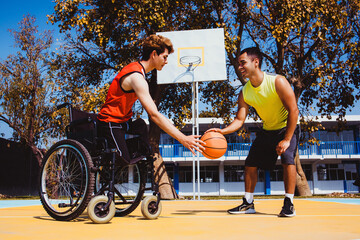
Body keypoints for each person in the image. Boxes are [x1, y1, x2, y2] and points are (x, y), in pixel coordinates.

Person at [206, 47, 300, 217]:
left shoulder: (277, 81)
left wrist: (286, 139)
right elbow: (239, 120)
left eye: (243, 63)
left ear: (256, 62)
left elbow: (293, 110)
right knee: (250, 163)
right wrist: (222, 131)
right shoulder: (245, 92)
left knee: (287, 159)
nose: (240, 67)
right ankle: (248, 203)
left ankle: (289, 203)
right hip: (268, 129)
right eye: (238, 64)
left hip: (287, 127)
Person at [97, 34, 204, 164]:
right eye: (164, 57)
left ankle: (140, 159)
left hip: (122, 122)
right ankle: (108, 170)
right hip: (110, 122)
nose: (166, 61)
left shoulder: (137, 71)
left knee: (141, 126)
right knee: (123, 161)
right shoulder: (136, 77)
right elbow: (154, 114)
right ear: (154, 54)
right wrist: (183, 139)